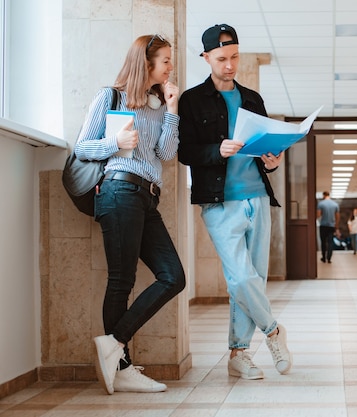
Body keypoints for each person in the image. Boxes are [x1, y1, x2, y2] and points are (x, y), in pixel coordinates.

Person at [177, 24, 292, 380]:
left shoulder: (252, 98)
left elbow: (263, 147)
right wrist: (217, 150)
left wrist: (272, 160)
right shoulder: (191, 101)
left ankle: (238, 353)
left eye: (235, 57)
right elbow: (184, 152)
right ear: (206, 57)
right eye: (223, 58)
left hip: (257, 196)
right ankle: (273, 331)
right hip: (219, 202)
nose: (230, 65)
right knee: (241, 278)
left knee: (254, 277)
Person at [74, 34, 185, 395]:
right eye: (165, 60)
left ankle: (114, 343)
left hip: (147, 197)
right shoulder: (111, 97)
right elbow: (82, 146)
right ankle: (120, 368)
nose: (171, 66)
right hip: (119, 189)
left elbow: (167, 153)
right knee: (121, 280)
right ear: (146, 62)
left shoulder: (157, 107)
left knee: (173, 276)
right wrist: (115, 144)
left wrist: (171, 110)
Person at [317, 191, 340, 263]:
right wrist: (336, 225)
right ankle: (329, 258)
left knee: (323, 242)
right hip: (331, 226)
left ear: (323, 195)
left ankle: (324, 257)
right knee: (330, 242)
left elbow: (318, 215)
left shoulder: (321, 204)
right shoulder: (335, 204)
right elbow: (337, 216)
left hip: (323, 225)